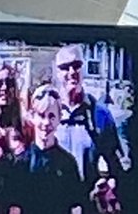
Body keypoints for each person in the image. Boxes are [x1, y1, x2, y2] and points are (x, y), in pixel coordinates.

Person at [8, 85, 83, 214]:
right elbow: (14, 212)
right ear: (32, 117)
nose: (46, 123)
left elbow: (76, 212)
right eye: (41, 115)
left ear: (59, 119)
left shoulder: (68, 163)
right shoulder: (21, 163)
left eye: (52, 116)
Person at [55, 43, 129, 178]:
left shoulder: (100, 114)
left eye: (76, 66)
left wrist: (110, 183)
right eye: (65, 67)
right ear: (57, 73)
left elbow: (115, 163)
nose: (72, 72)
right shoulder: (47, 113)